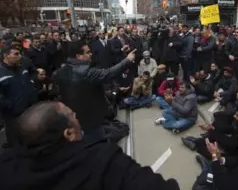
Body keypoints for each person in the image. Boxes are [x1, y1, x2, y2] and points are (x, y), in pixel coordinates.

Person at [0, 101, 180, 190]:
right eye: (71, 115)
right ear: (69, 134)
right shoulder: (103, 161)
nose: (76, 115)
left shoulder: (6, 167)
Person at [53, 41, 136, 141]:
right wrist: (127, 60)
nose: (91, 54)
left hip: (74, 116)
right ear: (79, 56)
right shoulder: (85, 72)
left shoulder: (59, 72)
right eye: (87, 52)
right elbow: (108, 74)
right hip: (91, 117)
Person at [0, 44, 38, 146]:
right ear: (6, 56)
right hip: (13, 115)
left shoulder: (22, 68)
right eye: (16, 54)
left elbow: (31, 78)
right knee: (16, 142)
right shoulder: (1, 72)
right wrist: (10, 105)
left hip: (28, 110)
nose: (20, 56)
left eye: (20, 54)